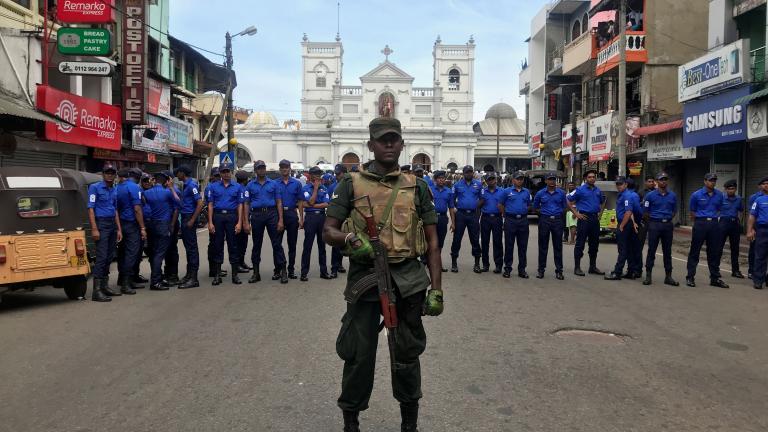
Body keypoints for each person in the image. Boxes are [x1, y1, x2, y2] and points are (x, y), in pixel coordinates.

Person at [322, 116, 443, 432]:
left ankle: (409, 424)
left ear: (402, 144)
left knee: (406, 354)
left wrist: (436, 289)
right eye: (382, 139)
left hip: (408, 281)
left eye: (394, 139)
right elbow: (328, 230)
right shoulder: (350, 183)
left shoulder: (417, 187)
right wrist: (349, 239)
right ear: (371, 145)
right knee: (359, 356)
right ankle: (351, 422)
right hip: (365, 281)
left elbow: (432, 243)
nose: (389, 144)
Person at [244, 160, 287, 284]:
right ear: (255, 170)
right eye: (259, 168)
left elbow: (279, 202)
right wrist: (246, 222)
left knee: (277, 244)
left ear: (265, 169)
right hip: (256, 215)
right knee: (256, 245)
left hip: (271, 214)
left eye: (263, 168)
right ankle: (256, 273)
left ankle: (283, 271)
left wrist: (280, 220)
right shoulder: (250, 185)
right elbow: (246, 204)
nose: (261, 170)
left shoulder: (274, 184)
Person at [87, 163, 123, 302]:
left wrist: (119, 228)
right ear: (103, 174)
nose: (110, 175)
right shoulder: (94, 188)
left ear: (115, 175)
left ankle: (105, 286)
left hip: (112, 225)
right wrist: (94, 228)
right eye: (107, 172)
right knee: (101, 257)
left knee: (109, 256)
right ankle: (97, 291)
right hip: (101, 224)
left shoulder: (114, 190)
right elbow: (90, 209)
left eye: (112, 173)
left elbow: (115, 210)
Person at [686, 173, 729, 288]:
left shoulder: (720, 195)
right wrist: (701, 220)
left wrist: (713, 219)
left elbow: (720, 209)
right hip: (701, 223)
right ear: (705, 181)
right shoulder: (696, 195)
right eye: (710, 180)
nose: (713, 182)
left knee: (714, 252)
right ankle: (690, 277)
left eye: (714, 180)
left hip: (714, 224)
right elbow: (692, 211)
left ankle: (714, 278)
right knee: (695, 251)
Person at [207, 163, 245, 286]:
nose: (226, 173)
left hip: (231, 216)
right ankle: (217, 275)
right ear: (220, 173)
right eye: (223, 172)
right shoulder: (213, 187)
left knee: (233, 245)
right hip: (217, 216)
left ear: (231, 172)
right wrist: (210, 222)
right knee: (217, 245)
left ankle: (235, 275)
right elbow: (210, 205)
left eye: (227, 171)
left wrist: (239, 222)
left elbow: (240, 205)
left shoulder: (238, 187)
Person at [143, 171, 180, 291]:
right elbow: (178, 202)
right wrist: (171, 188)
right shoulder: (167, 193)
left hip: (152, 224)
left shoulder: (146, 193)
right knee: (160, 253)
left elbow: (144, 206)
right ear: (165, 181)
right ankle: (155, 281)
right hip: (164, 224)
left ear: (154, 180)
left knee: (154, 253)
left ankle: (157, 277)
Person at [641, 172, 679, 286]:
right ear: (657, 182)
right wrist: (654, 220)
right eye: (661, 179)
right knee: (651, 250)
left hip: (667, 225)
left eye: (665, 179)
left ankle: (668, 276)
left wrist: (666, 219)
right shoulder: (650, 196)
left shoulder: (672, 195)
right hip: (654, 225)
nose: (663, 181)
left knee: (667, 251)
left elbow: (674, 211)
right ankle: (648, 276)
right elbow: (645, 212)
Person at [567, 170, 606, 276]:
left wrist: (600, 214)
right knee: (580, 244)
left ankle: (592, 267)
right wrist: (576, 213)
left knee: (594, 244)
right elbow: (567, 200)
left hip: (595, 219)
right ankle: (577, 267)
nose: (592, 179)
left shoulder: (597, 190)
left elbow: (603, 201)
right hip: (584, 218)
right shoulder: (579, 190)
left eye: (594, 177)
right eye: (590, 177)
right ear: (585, 179)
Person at [115, 168, 146, 295]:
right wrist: (143, 227)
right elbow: (137, 209)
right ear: (138, 177)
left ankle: (123, 279)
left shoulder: (117, 187)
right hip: (131, 224)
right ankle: (126, 284)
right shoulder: (134, 188)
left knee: (122, 253)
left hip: (120, 224)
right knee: (132, 253)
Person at [299, 166, 332, 281]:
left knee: (322, 246)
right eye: (316, 173)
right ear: (311, 175)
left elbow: (326, 204)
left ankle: (324, 272)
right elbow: (310, 201)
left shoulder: (324, 188)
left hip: (322, 217)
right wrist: (316, 188)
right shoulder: (306, 188)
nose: (318, 175)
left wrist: (312, 205)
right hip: (311, 218)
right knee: (307, 246)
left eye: (319, 173)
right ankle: (304, 272)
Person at [605, 177, 642, 280]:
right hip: (628, 223)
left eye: (620, 184)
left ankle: (617, 272)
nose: (618, 186)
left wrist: (621, 225)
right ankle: (631, 271)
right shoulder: (623, 195)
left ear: (626, 184)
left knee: (622, 249)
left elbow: (629, 212)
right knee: (629, 249)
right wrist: (633, 222)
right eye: (617, 184)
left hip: (624, 224)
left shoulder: (627, 196)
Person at [174, 165, 204, 289]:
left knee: (191, 248)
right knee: (188, 248)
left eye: (178, 173)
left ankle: (193, 278)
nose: (177, 176)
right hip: (186, 217)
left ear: (183, 173)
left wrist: (192, 219)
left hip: (189, 218)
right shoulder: (186, 185)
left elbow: (200, 203)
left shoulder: (191, 185)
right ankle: (189, 275)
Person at [533, 172, 567, 280]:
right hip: (544, 220)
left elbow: (565, 207)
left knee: (558, 247)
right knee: (543, 246)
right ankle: (541, 270)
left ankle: (559, 271)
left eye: (553, 179)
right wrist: (543, 214)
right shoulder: (540, 193)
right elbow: (535, 207)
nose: (552, 181)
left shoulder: (561, 193)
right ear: (546, 181)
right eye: (550, 179)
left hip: (557, 221)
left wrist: (558, 215)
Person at [449, 165, 483, 273]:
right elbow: (452, 199)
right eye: (467, 172)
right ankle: (454, 263)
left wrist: (475, 206)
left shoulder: (479, 184)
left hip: (473, 215)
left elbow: (482, 199)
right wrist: (457, 207)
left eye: (471, 172)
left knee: (475, 239)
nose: (469, 174)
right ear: (463, 173)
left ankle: (477, 264)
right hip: (461, 215)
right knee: (457, 239)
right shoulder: (457, 185)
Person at [500, 171, 531, 279]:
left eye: (521, 179)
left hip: (523, 221)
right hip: (510, 220)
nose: (520, 180)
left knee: (523, 246)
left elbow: (528, 205)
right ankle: (507, 269)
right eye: (518, 179)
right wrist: (506, 215)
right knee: (509, 246)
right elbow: (500, 204)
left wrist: (522, 212)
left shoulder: (526, 192)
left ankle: (522, 270)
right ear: (513, 180)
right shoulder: (506, 191)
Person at [276, 159, 303, 279]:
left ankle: (290, 270)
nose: (284, 169)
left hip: (292, 214)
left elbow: (301, 202)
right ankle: (278, 269)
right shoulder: (274, 183)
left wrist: (301, 218)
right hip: (278, 216)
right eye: (282, 167)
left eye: (286, 167)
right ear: (280, 169)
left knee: (292, 244)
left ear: (290, 168)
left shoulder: (297, 183)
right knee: (277, 244)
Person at [478, 172, 506, 274]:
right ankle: (485, 265)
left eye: (493, 179)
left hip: (497, 218)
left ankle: (498, 265)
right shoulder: (482, 192)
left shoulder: (502, 191)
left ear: (496, 179)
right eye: (489, 179)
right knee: (485, 242)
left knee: (497, 242)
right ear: (486, 181)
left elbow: (505, 205)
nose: (491, 181)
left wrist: (504, 217)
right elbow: (478, 205)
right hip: (485, 218)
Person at [719, 179, 745, 279]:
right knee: (719, 248)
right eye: (729, 189)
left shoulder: (739, 199)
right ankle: (715, 270)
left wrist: (740, 222)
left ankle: (735, 270)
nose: (731, 191)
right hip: (723, 223)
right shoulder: (721, 198)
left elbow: (741, 211)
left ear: (736, 189)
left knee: (735, 249)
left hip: (734, 224)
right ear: (725, 189)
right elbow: (716, 209)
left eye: (733, 189)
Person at [205, 168, 227, 278]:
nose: (218, 178)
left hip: (220, 218)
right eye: (216, 176)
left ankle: (216, 267)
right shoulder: (210, 187)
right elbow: (209, 205)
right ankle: (213, 269)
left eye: (219, 176)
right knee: (214, 244)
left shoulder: (220, 187)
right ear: (212, 177)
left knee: (218, 243)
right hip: (214, 218)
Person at [747, 177, 768, 290]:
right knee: (760, 256)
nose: (766, 185)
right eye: (764, 184)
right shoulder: (758, 200)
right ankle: (758, 280)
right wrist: (750, 230)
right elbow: (752, 216)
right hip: (763, 230)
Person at [133, 172, 154, 285]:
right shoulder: (138, 192)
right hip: (141, 226)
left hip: (152, 225)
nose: (146, 182)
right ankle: (134, 275)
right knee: (137, 252)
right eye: (144, 180)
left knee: (153, 252)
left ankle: (155, 274)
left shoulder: (154, 192)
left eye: (148, 180)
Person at [162, 170, 182, 286]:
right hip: (165, 223)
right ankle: (167, 273)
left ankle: (173, 275)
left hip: (171, 223)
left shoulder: (175, 191)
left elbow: (176, 209)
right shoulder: (164, 190)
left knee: (171, 250)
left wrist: (172, 225)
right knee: (166, 250)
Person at [431, 170, 453, 272]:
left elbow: (451, 208)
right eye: (439, 178)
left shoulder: (449, 191)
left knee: (440, 242)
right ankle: (431, 263)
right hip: (432, 218)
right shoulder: (430, 190)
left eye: (443, 178)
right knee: (431, 242)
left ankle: (438, 263)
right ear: (435, 180)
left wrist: (454, 222)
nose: (442, 180)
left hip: (443, 219)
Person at [329, 164, 348, 278]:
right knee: (336, 243)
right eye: (336, 174)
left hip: (347, 218)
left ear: (344, 173)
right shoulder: (333, 186)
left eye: (338, 174)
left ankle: (340, 264)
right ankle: (334, 268)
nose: (337, 176)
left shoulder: (350, 185)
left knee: (344, 242)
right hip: (336, 218)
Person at [234, 170, 252, 274]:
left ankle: (241, 262)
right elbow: (244, 205)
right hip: (240, 219)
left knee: (242, 242)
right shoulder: (242, 189)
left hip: (240, 218)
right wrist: (245, 222)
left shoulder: (237, 187)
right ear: (245, 180)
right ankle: (237, 264)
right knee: (239, 243)